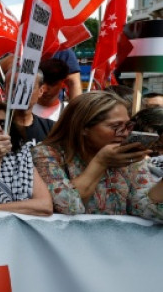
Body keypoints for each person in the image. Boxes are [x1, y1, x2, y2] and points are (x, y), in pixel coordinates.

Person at [32, 92, 163, 222]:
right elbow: (67, 206)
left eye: (128, 126)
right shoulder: (47, 154)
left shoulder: (128, 157)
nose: (125, 133)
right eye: (115, 126)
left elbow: (145, 209)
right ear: (83, 128)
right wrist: (100, 162)